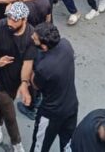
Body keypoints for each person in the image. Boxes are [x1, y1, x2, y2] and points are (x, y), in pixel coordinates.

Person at [0, 1, 37, 152]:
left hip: (16, 79)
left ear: (24, 20)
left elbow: (28, 62)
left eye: (14, 19)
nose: (10, 22)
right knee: (10, 112)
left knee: (4, 106)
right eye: (9, 17)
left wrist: (24, 83)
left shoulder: (30, 35)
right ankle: (17, 143)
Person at [28, 23, 78, 152]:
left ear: (43, 46)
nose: (31, 38)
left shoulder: (44, 68)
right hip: (71, 106)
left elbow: (35, 84)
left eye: (34, 39)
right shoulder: (66, 45)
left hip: (50, 113)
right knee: (68, 144)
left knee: (39, 146)